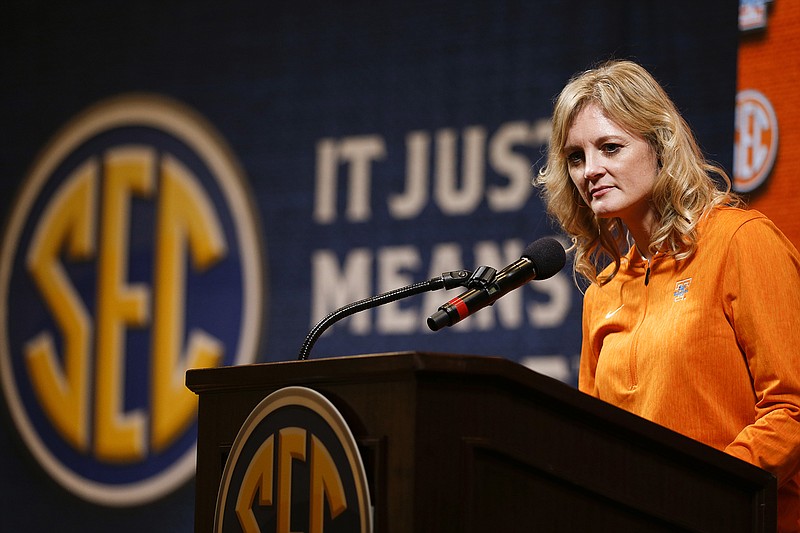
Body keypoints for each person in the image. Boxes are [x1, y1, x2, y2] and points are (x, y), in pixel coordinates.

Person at [536, 59, 800, 532]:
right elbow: (594, 446)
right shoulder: (602, 293)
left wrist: (705, 490)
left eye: (610, 148)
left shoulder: (742, 241)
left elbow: (792, 409)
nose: (590, 171)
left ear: (661, 145)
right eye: (576, 157)